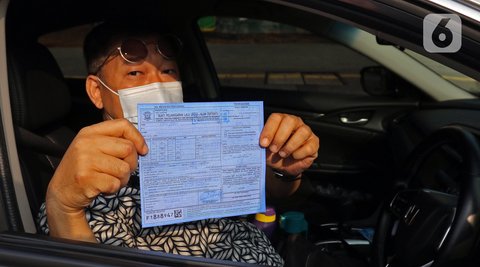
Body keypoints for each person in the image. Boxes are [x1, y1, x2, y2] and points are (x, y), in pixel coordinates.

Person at [37, 20, 319, 266]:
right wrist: (64, 208)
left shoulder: (204, 140)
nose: (158, 85)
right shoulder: (84, 174)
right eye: (135, 73)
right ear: (97, 92)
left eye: (169, 71)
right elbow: (78, 257)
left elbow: (271, 190)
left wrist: (286, 168)